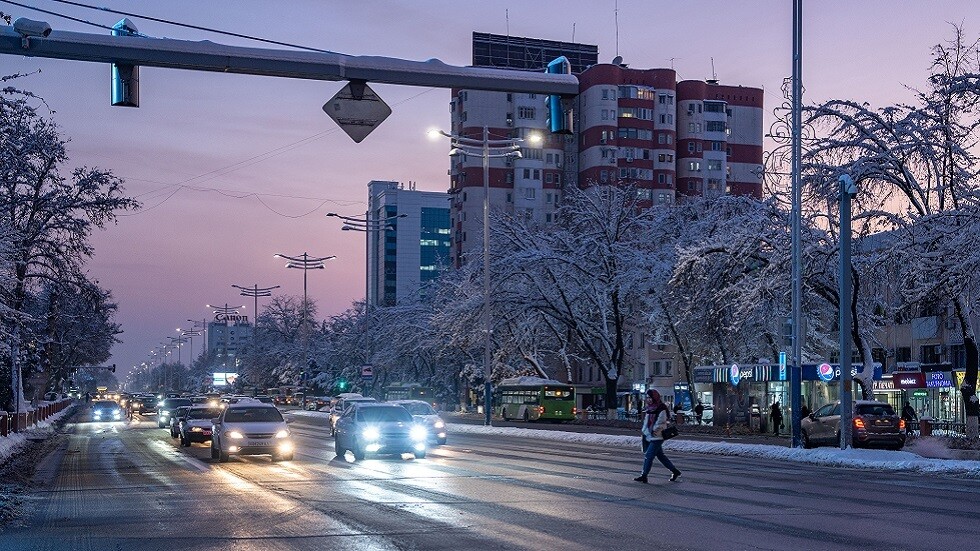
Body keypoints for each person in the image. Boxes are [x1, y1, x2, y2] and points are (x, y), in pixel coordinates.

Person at [634, 389, 682, 484]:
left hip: (657, 436)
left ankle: (644, 476)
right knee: (660, 456)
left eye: (650, 397)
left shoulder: (661, 408)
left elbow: (661, 422)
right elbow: (646, 422)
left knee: (649, 456)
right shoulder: (649, 408)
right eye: (647, 397)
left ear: (655, 397)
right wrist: (645, 431)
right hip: (649, 435)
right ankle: (675, 471)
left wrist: (653, 430)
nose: (648, 399)